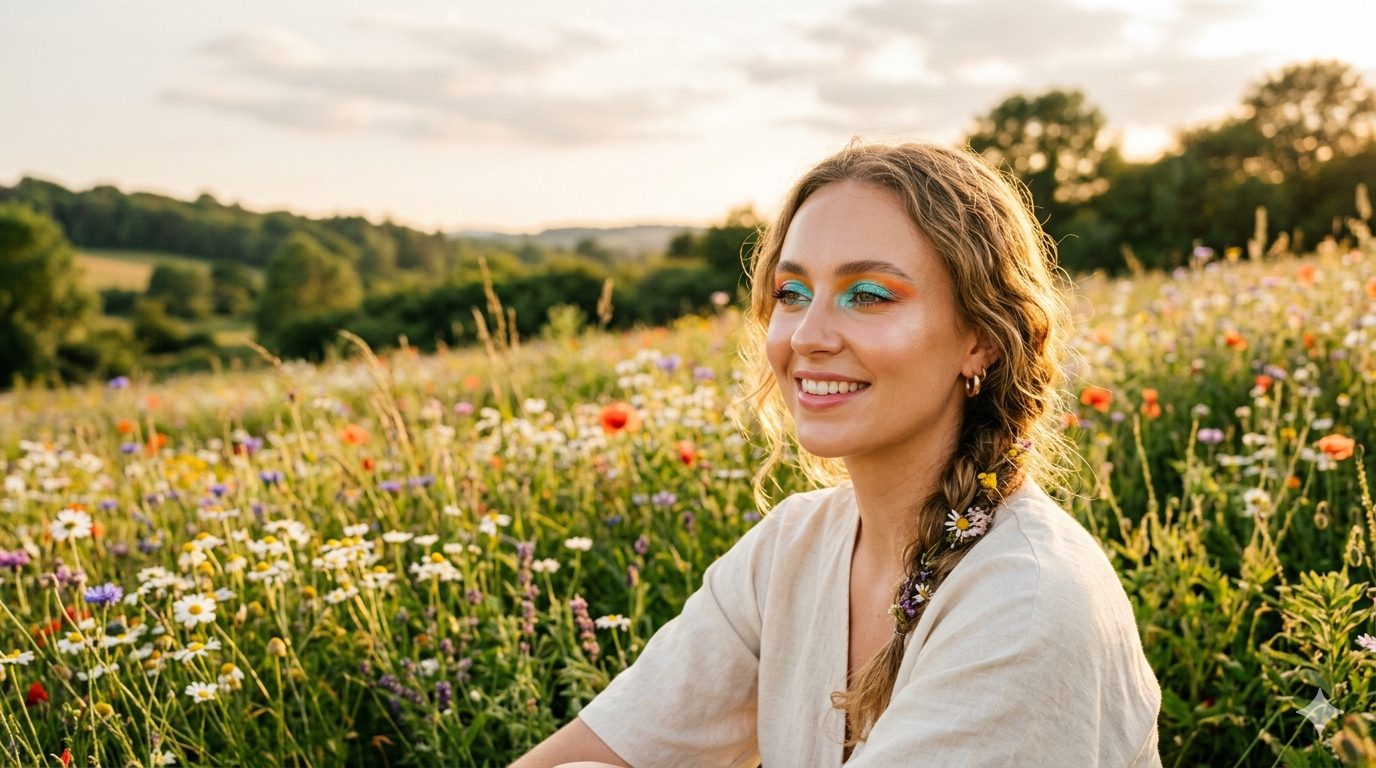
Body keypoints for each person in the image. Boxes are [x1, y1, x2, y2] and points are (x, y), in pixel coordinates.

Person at [512, 141, 1162, 768]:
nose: (807, 336)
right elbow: (594, 750)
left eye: (869, 295)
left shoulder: (1026, 605)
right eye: (793, 294)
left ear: (981, 340)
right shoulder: (792, 546)